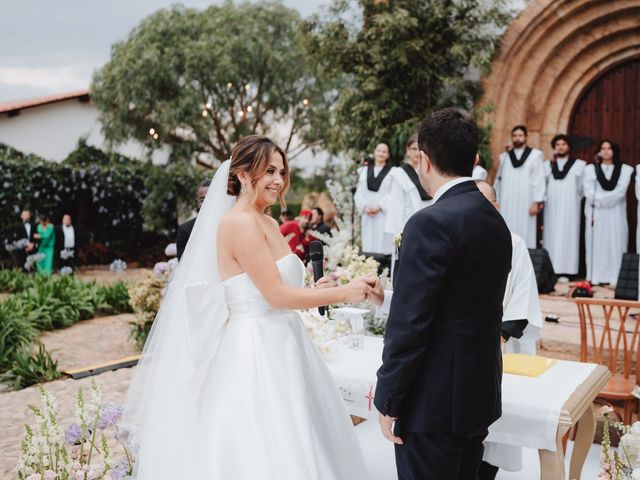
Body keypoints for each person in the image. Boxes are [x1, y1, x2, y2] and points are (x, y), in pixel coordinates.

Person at [121, 135, 372, 479]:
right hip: (256, 347)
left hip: (285, 341)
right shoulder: (238, 223)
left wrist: (318, 289)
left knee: (300, 438)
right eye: (268, 171)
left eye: (281, 172)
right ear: (241, 174)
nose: (279, 180)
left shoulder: (266, 221)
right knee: (269, 446)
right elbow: (276, 296)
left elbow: (280, 287)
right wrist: (344, 293)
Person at [367, 109, 512, 479]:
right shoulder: (494, 220)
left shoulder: (430, 222)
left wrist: (388, 399)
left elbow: (410, 322)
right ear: (473, 159)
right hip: (478, 396)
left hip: (432, 405)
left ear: (424, 160)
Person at [475, 180, 543, 480]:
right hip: (462, 347)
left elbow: (523, 297)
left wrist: (496, 338)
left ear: (496, 206)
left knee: (495, 431)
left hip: (498, 346)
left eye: (485, 201)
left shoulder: (513, 243)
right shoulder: (455, 238)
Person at [584, 140, 633, 285]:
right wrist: (601, 201)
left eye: (609, 148)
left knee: (615, 242)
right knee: (597, 242)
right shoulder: (591, 169)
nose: (605, 151)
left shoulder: (625, 170)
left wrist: (603, 200)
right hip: (597, 212)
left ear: (614, 151)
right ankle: (595, 276)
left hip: (615, 212)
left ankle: (615, 276)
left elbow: (620, 192)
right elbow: (588, 191)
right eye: (602, 148)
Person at [494, 125, 546, 248]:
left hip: (526, 200)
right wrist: (496, 200)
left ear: (526, 137)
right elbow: (498, 180)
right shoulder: (505, 157)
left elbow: (538, 179)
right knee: (507, 228)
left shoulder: (535, 155)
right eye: (515, 136)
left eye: (520, 135)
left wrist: (536, 201)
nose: (517, 138)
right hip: (507, 201)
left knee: (526, 230)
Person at [542, 134, 586, 278]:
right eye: (558, 145)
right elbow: (544, 185)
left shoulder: (579, 165)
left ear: (569, 147)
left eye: (563, 144)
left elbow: (581, 188)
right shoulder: (547, 165)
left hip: (570, 206)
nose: (560, 147)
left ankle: (567, 271)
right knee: (551, 235)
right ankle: (551, 269)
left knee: (568, 235)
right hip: (552, 206)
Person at [384, 134, 433, 237]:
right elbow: (396, 206)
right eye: (414, 149)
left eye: (420, 149)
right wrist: (400, 234)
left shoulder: (431, 171)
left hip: (429, 223)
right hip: (408, 225)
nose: (417, 153)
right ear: (407, 150)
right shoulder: (399, 174)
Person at [354, 143, 395, 255]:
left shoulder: (393, 172)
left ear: (388, 155)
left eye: (384, 151)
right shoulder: (363, 171)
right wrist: (364, 207)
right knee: (368, 241)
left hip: (383, 214)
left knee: (383, 241)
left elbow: (393, 193)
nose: (381, 153)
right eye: (379, 150)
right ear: (374, 152)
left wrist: (380, 206)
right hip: (367, 214)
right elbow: (359, 192)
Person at [176, 179, 210, 260]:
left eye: (211, 198)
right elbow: (183, 263)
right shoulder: (185, 229)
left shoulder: (229, 224)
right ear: (197, 202)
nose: (208, 202)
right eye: (202, 200)